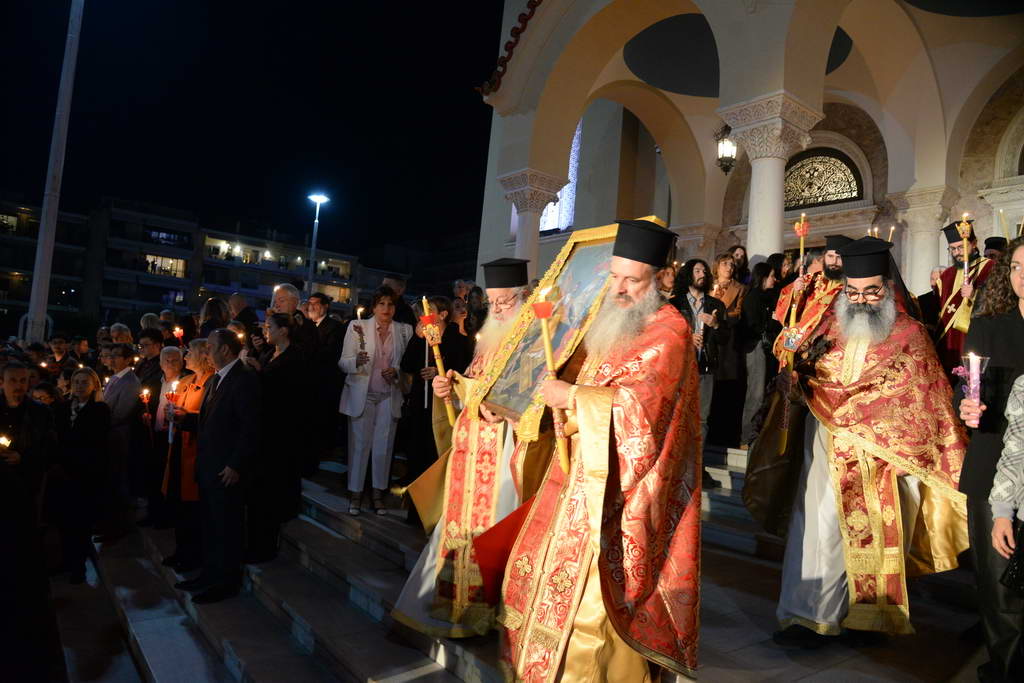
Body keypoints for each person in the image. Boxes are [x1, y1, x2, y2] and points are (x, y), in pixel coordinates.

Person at [501, 219, 701, 680]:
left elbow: (643, 411)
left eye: (633, 280)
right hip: (581, 481)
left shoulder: (669, 330)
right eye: (614, 277)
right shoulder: (613, 323)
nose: (620, 288)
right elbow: (592, 384)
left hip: (625, 492)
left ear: (660, 279)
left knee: (594, 607)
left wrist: (571, 398)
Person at [749, 237, 969, 648]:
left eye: (871, 292)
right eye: (853, 292)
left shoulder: (908, 334)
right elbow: (803, 367)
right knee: (815, 528)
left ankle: (868, 618)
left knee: (874, 534)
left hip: (880, 458)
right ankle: (806, 616)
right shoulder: (828, 322)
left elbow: (925, 397)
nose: (862, 301)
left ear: (886, 288)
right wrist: (794, 378)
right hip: (824, 446)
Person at [393, 258, 534, 639]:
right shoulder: (488, 336)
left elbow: (533, 397)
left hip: (506, 451)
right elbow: (473, 384)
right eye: (493, 302)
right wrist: (449, 389)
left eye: (506, 302)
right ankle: (452, 605)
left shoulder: (537, 339)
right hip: (473, 451)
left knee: (493, 532)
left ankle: (486, 615)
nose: (498, 309)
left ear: (523, 297)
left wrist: (499, 406)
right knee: (460, 530)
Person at [957, 236, 1024, 682]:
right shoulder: (989, 326)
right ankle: (1006, 669)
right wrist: (967, 407)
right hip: (992, 461)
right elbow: (969, 388)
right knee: (999, 587)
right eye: (1017, 266)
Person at [175, 329, 260, 604]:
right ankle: (208, 574)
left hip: (227, 470)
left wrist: (236, 464)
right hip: (209, 465)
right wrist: (184, 419)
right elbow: (210, 422)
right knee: (210, 526)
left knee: (227, 528)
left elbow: (251, 427)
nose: (206, 352)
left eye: (210, 346)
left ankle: (225, 582)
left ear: (225, 350)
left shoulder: (244, 379)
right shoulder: (217, 379)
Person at [338, 286, 413, 515]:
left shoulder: (404, 331)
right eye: (382, 304)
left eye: (390, 304)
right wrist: (356, 361)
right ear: (373, 307)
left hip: (388, 395)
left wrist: (396, 372)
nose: (386, 309)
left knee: (383, 448)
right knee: (360, 447)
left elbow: (407, 364)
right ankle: (356, 494)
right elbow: (343, 362)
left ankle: (378, 494)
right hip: (363, 393)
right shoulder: (357, 327)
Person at [247, 314, 310, 563]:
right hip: (263, 430)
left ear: (284, 331)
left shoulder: (296, 357)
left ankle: (266, 545)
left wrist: (259, 372)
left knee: (272, 489)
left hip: (282, 433)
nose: (265, 331)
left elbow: (290, 393)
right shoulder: (267, 354)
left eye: (269, 327)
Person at [397, 296, 472, 487]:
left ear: (443, 314)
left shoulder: (458, 340)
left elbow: (463, 369)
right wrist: (417, 338)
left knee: (434, 451)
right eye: (422, 312)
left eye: (428, 310)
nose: (423, 315)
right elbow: (406, 364)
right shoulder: (423, 336)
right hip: (419, 402)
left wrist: (439, 371)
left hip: (442, 406)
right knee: (415, 450)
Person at [50, 368, 109, 583]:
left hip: (85, 474)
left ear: (94, 386)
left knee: (80, 523)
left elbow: (96, 442)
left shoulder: (100, 410)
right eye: (76, 381)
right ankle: (66, 560)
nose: (80, 386)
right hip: (62, 473)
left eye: (85, 382)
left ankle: (78, 566)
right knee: (64, 521)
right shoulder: (62, 408)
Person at [161, 338, 214, 574]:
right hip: (179, 449)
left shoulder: (212, 381)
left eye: (189, 352)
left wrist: (184, 414)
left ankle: (192, 554)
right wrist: (171, 411)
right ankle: (181, 550)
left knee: (192, 509)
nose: (185, 357)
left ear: (204, 355)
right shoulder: (186, 380)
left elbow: (208, 416)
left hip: (196, 451)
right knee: (179, 505)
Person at [670, 259, 726, 476]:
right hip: (680, 369)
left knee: (702, 419)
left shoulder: (716, 306)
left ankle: (696, 468)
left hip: (705, 368)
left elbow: (725, 339)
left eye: (704, 270)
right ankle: (676, 465)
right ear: (688, 275)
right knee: (678, 416)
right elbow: (665, 335)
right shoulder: (675, 304)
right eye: (697, 270)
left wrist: (715, 325)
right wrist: (687, 337)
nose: (702, 273)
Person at [770, 235, 851, 368]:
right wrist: (795, 291)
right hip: (796, 339)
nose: (834, 262)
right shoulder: (812, 279)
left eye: (839, 258)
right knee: (789, 375)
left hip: (826, 347)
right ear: (824, 257)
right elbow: (785, 303)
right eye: (830, 257)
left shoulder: (851, 285)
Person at [935, 219, 994, 378]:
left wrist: (975, 296)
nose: (957, 253)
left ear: (974, 244)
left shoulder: (991, 268)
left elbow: (1000, 306)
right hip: (947, 345)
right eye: (952, 249)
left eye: (961, 247)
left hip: (976, 340)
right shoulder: (947, 275)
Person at [141, 346, 192, 527]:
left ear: (181, 362)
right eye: (167, 360)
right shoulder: (154, 383)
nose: (170, 364)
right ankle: (153, 513)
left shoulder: (186, 382)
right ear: (161, 363)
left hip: (175, 436)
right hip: (155, 436)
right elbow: (147, 405)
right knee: (153, 476)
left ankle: (167, 515)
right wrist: (146, 415)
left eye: (175, 360)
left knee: (169, 478)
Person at [739, 262, 781, 447]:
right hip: (756, 347)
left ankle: (758, 435)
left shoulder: (769, 297)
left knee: (764, 392)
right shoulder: (753, 298)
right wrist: (773, 323)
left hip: (767, 349)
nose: (775, 279)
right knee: (755, 393)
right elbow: (756, 325)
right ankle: (747, 437)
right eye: (772, 275)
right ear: (763, 277)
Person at [307, 291, 346, 472]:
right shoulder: (308, 326)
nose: (311, 306)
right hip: (312, 382)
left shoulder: (334, 327)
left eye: (316, 303)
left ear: (325, 306)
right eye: (310, 303)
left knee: (324, 420)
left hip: (326, 382)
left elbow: (330, 355)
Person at [103, 343, 143, 511]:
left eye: (116, 355)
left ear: (127, 359)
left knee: (119, 473)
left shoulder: (130, 382)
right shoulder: (114, 377)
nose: (111, 358)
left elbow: (121, 412)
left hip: (119, 435)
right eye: (110, 355)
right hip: (110, 433)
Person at [268, 283, 318, 355]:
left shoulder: (306, 326)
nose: (277, 305)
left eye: (281, 300)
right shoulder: (274, 321)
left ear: (295, 302)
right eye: (275, 302)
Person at [916, 266, 945, 335]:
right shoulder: (922, 299)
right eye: (932, 279)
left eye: (937, 280)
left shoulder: (954, 300)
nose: (934, 283)